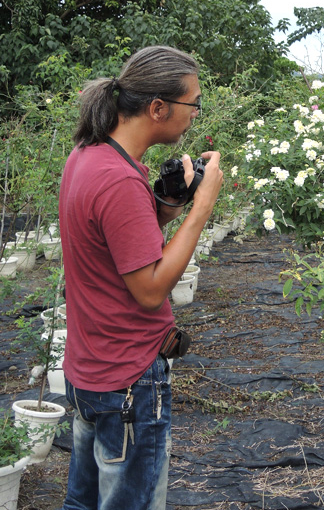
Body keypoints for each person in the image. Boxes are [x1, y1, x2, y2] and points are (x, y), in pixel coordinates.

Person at [58, 46, 223, 510]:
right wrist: (203, 205)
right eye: (193, 104)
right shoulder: (119, 181)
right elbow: (150, 290)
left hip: (91, 370)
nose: (194, 115)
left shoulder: (90, 156)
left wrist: (169, 202)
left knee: (82, 503)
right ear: (158, 108)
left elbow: (119, 243)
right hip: (128, 379)